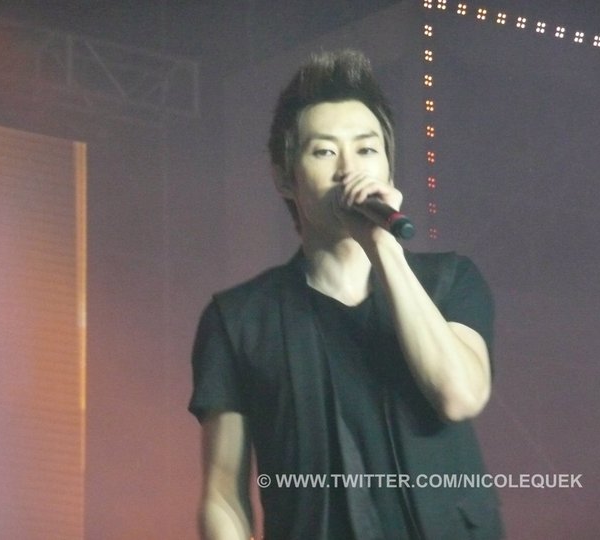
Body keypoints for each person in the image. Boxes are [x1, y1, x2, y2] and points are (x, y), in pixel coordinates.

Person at [189, 49, 503, 539]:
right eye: (324, 152)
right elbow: (223, 495)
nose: (348, 170)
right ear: (284, 176)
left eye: (366, 150)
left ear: (388, 167)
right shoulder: (239, 320)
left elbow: (459, 395)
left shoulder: (451, 281)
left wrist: (383, 248)